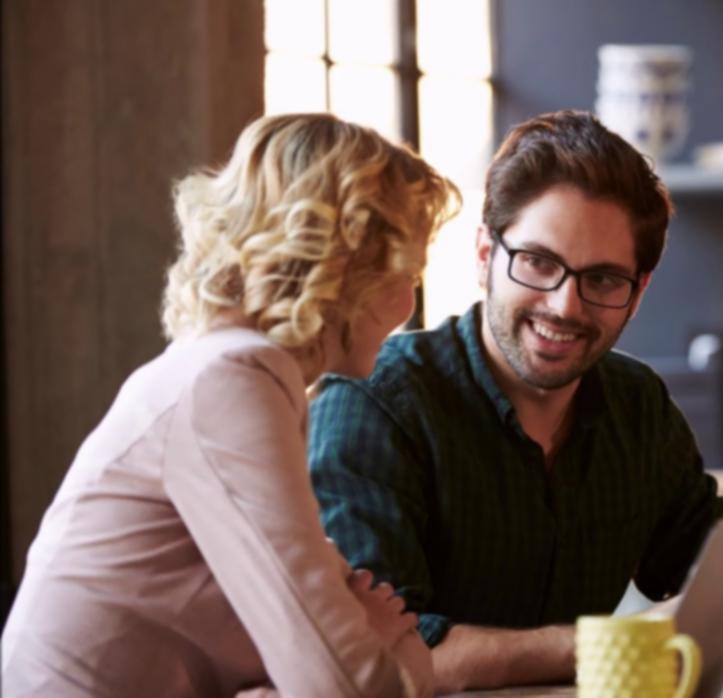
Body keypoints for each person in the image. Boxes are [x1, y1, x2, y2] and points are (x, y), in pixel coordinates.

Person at [1, 113, 459, 697]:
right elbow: (337, 673)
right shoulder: (234, 378)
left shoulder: (227, 369)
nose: (407, 304)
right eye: (406, 273)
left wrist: (375, 644)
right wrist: (374, 643)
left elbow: (354, 655)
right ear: (345, 267)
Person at [308, 110, 723, 693]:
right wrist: (607, 645)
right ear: (486, 253)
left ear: (638, 293)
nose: (565, 306)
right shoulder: (375, 404)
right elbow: (384, 653)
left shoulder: (639, 407)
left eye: (604, 280)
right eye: (538, 263)